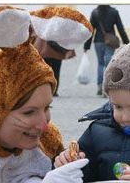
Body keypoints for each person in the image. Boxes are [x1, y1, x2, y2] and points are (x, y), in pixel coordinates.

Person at [0, 6, 92, 183]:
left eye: (47, 107)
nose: (44, 124)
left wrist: (62, 166)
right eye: (28, 112)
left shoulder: (46, 141)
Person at [54, 43, 130, 181]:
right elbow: (83, 175)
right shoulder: (97, 132)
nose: (125, 117)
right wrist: (68, 165)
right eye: (118, 107)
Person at [84, 5, 129, 96]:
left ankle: (100, 86)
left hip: (98, 41)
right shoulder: (114, 12)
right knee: (108, 65)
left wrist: (87, 45)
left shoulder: (95, 12)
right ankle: (106, 87)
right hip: (110, 42)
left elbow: (91, 30)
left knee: (100, 63)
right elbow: (120, 28)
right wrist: (127, 42)